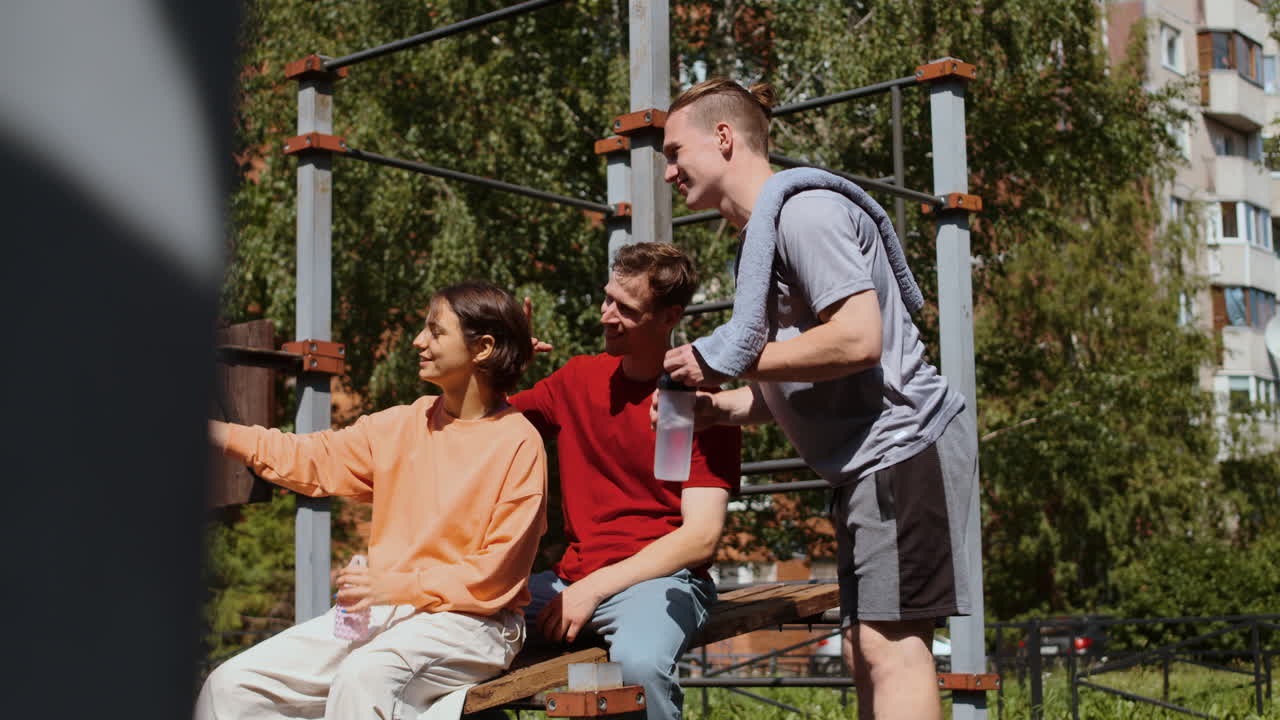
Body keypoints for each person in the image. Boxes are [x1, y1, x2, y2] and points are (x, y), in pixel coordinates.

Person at [657, 78, 978, 720]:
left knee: (892, 651)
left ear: (723, 138)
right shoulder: (764, 234)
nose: (667, 171)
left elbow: (858, 339)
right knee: (867, 650)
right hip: (870, 465)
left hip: (902, 450)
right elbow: (797, 375)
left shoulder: (806, 214)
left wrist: (722, 357)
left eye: (673, 152)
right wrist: (720, 406)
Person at [198, 282, 548, 720]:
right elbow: (311, 456)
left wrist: (395, 586)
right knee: (232, 687)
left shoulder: (518, 444)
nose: (418, 341)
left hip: (476, 623)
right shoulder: (401, 425)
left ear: (483, 348)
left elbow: (494, 579)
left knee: (364, 678)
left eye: (435, 332)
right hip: (384, 610)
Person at [509, 242, 741, 720]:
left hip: (658, 583)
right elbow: (484, 428)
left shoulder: (696, 402)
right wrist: (501, 367)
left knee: (639, 666)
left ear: (668, 316)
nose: (605, 316)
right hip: (568, 580)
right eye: (607, 298)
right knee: (461, 636)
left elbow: (700, 538)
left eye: (625, 308)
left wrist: (594, 588)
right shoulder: (576, 379)